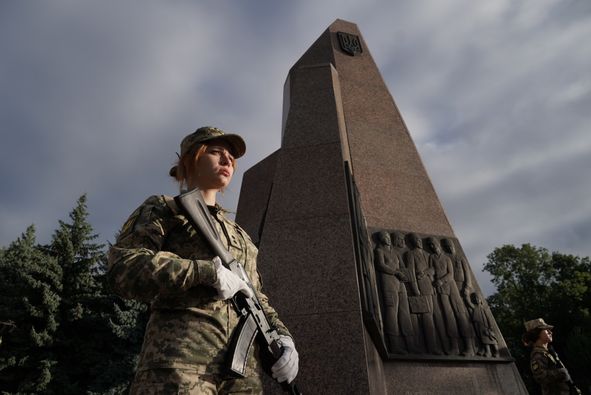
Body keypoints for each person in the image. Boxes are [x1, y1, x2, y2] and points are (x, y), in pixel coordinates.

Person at [108, 126, 299, 394]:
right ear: (190, 159)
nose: (227, 160)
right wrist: (205, 272)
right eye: (215, 152)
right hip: (181, 365)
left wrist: (283, 336)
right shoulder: (165, 209)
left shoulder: (241, 236)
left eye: (231, 157)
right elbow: (124, 268)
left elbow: (255, 296)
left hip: (243, 377)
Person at [522, 318, 580, 395]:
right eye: (546, 330)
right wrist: (560, 373)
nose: (550, 332)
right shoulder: (538, 354)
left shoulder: (547, 352)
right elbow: (540, 376)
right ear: (537, 333)